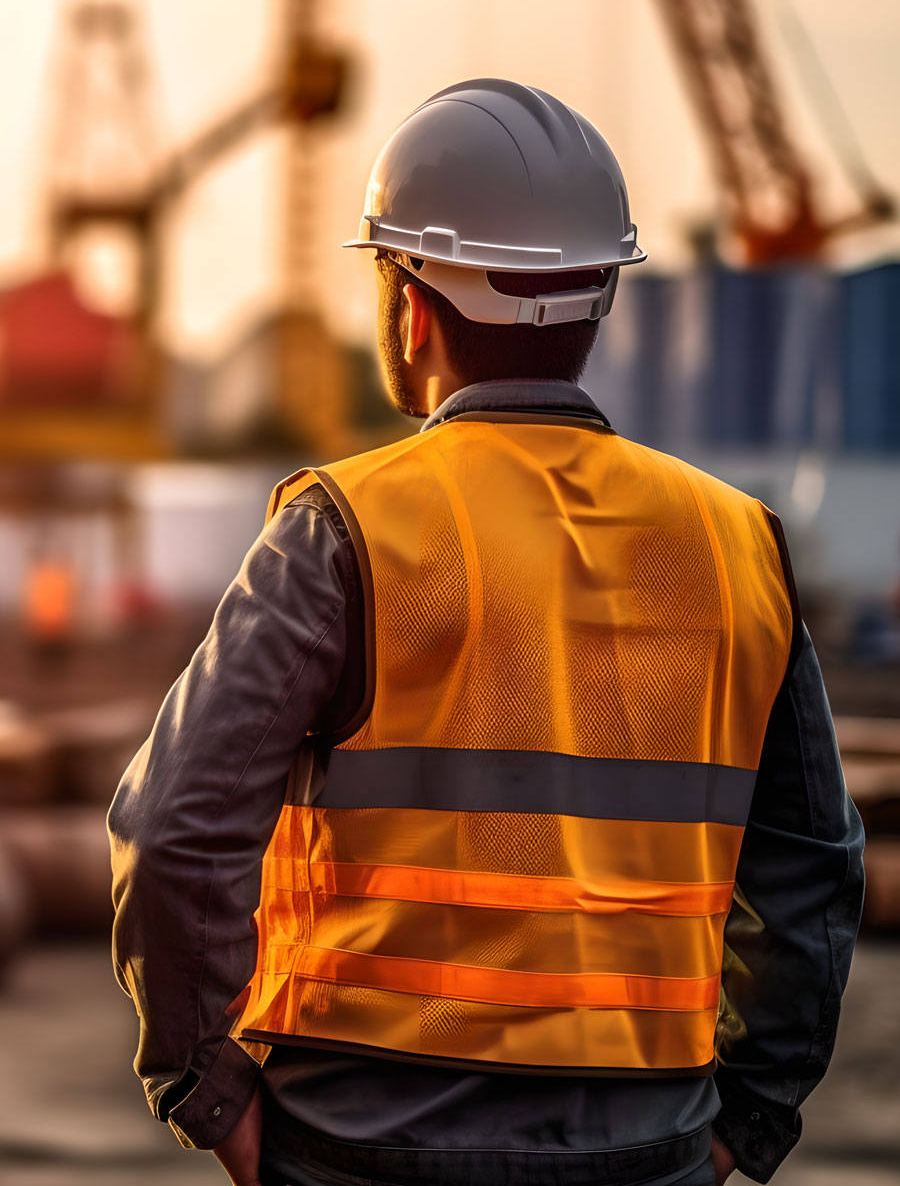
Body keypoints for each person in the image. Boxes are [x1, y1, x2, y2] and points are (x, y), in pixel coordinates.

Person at [108, 79, 865, 1186]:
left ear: (409, 304)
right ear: (600, 298)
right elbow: (815, 864)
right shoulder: (737, 542)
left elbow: (173, 829)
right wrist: (742, 1120)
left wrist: (213, 1096)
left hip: (357, 1148)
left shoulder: (343, 532)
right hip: (650, 1152)